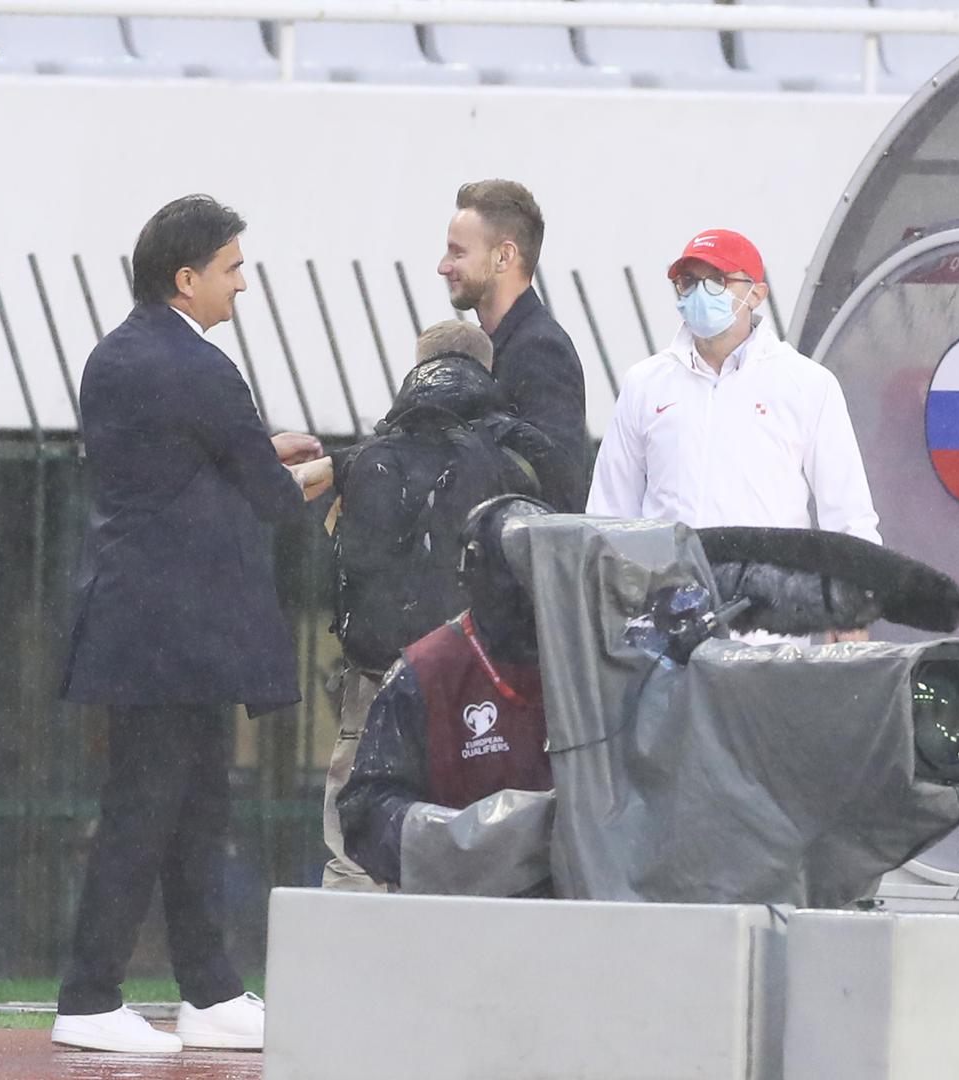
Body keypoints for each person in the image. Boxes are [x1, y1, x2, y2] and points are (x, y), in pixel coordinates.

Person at [53, 195, 326, 1055]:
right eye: (232, 268)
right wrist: (335, 469)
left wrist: (257, 451)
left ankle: (208, 989)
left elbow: (183, 468)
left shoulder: (117, 355)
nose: (241, 285)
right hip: (176, 630)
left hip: (144, 620)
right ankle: (90, 995)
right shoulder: (202, 368)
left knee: (195, 805)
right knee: (146, 809)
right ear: (187, 277)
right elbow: (270, 497)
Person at [316, 321, 563, 892]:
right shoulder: (516, 453)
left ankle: (348, 965)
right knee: (472, 838)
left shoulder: (367, 456)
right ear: (487, 371)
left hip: (376, 676)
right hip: (471, 678)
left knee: (357, 835)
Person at [585, 228, 880, 641]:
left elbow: (847, 513)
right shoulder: (645, 383)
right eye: (688, 282)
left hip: (770, 633)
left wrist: (852, 611)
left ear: (756, 294)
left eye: (717, 281)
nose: (698, 294)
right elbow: (608, 511)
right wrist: (607, 614)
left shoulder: (807, 384)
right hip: (665, 632)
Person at [337, 495, 556, 891]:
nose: (527, 605)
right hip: (456, 915)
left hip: (577, 914)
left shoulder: (590, 664)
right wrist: (473, 839)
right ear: (472, 579)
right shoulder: (424, 673)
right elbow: (365, 815)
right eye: (514, 588)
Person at [438, 179, 588, 510]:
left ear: (504, 256)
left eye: (458, 252)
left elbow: (561, 489)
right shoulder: (496, 344)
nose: (443, 266)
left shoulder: (541, 350)